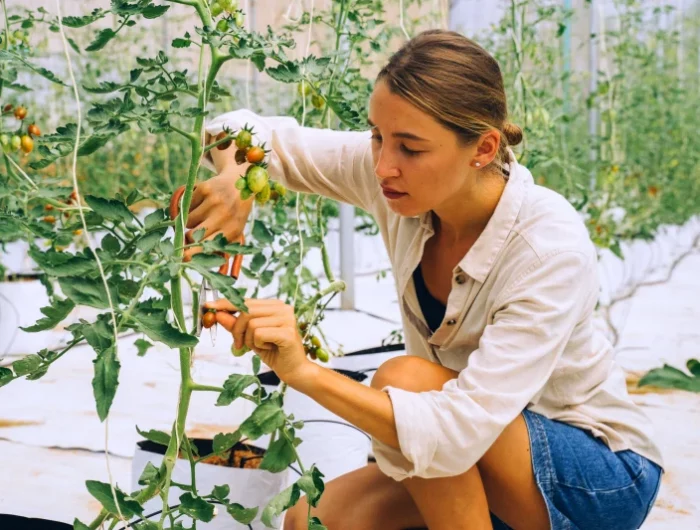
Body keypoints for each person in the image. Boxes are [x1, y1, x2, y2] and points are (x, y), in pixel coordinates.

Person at [188, 30, 664, 530]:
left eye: (411, 148)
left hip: (594, 478)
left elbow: (457, 430)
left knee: (406, 380)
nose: (383, 165)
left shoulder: (547, 248)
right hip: (471, 449)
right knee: (314, 519)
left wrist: (304, 372)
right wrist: (236, 179)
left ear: (483, 148)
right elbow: (238, 127)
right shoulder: (392, 175)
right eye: (376, 136)